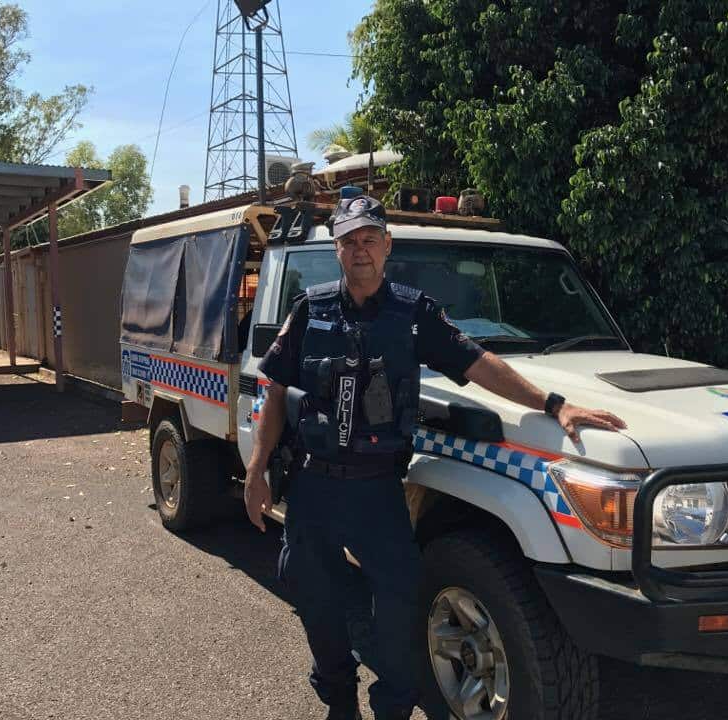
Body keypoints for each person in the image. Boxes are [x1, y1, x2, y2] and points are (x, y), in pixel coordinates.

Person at [244, 195, 626, 720]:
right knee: (315, 600)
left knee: (400, 609)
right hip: (313, 488)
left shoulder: (413, 314)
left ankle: (394, 708)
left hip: (378, 491)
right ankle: (338, 698)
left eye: (369, 240)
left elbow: (479, 363)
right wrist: (256, 470)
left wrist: (552, 404)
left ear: (387, 246)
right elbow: (275, 392)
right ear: (336, 249)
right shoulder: (310, 310)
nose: (360, 250)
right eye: (350, 241)